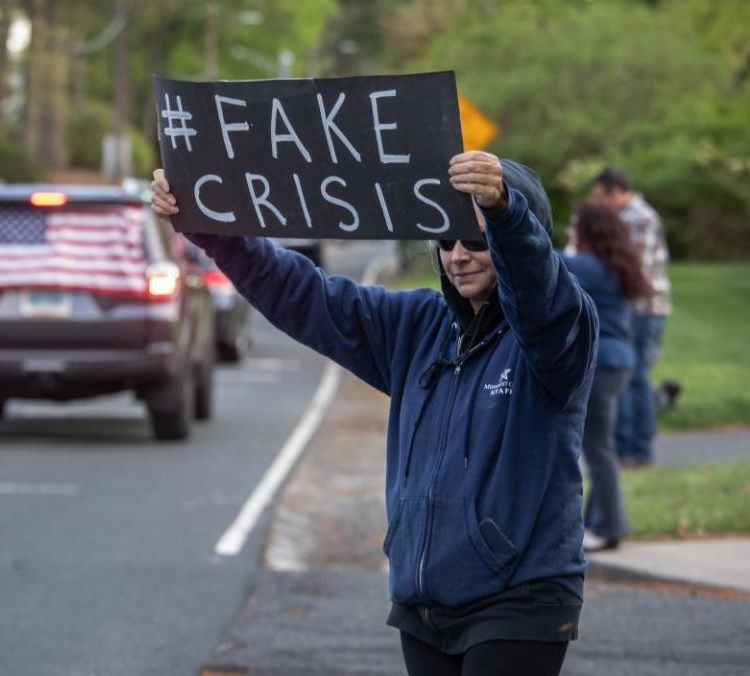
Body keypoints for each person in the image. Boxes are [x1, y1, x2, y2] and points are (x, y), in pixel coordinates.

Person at [152, 151, 598, 676]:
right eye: (446, 240)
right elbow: (303, 294)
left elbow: (540, 293)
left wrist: (505, 213)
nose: (459, 256)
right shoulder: (416, 326)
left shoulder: (558, 336)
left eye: (477, 241)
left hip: (520, 599)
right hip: (423, 602)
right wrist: (213, 230)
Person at [564, 200, 652, 551]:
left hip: (600, 364)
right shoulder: (615, 265)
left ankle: (611, 527)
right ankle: (595, 522)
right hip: (619, 362)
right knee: (603, 446)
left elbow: (537, 261)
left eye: (575, 224)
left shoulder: (585, 265)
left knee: (597, 449)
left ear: (588, 230)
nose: (570, 229)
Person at [592, 168, 671, 468]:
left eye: (601, 197)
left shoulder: (640, 219)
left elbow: (634, 272)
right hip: (629, 309)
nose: (599, 204)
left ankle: (638, 450)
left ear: (616, 192)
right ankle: (627, 448)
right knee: (630, 376)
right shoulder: (626, 217)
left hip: (643, 309)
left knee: (635, 377)